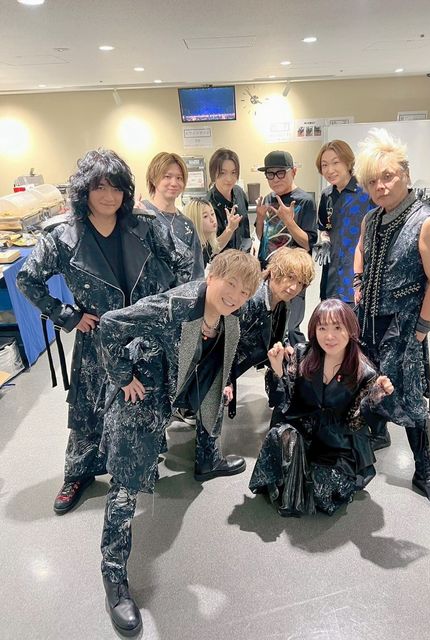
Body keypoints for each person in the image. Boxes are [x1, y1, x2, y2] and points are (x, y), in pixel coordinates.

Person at [16, 148, 194, 515]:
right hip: (97, 337)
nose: (109, 196)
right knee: (89, 409)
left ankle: (137, 465)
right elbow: (28, 280)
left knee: (142, 401)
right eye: (100, 187)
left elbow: (182, 261)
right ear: (84, 190)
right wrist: (68, 315)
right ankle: (78, 473)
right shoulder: (62, 236)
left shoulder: (143, 225)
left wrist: (161, 307)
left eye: (116, 187)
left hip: (143, 337)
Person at [98, 250, 261, 636]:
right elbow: (110, 323)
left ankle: (208, 461)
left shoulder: (229, 315)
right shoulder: (173, 306)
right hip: (140, 401)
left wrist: (224, 381)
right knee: (126, 489)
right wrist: (122, 376)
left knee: (213, 408)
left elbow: (216, 353)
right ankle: (114, 576)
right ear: (212, 275)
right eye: (231, 284)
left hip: (175, 391)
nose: (236, 296)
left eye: (244, 291)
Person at [353, 128, 430, 516]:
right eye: (372, 181)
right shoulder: (371, 218)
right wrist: (358, 282)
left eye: (388, 176)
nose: (380, 186)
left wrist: (422, 330)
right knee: (367, 382)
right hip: (368, 322)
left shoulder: (428, 223)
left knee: (412, 397)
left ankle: (424, 472)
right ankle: (375, 438)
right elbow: (360, 250)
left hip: (406, 326)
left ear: (406, 175)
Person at [249, 299, 393, 517]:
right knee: (282, 436)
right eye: (322, 328)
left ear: (350, 330)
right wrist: (278, 369)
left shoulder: (364, 373)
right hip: (303, 430)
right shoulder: (302, 354)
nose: (329, 336)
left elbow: (354, 424)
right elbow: (286, 402)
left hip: (337, 443)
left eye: (337, 327)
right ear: (314, 330)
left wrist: (375, 398)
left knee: (321, 489)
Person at [227, 247, 316, 418]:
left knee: (296, 361)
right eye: (290, 278)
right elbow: (226, 343)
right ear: (274, 272)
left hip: (257, 353)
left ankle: (283, 406)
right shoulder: (251, 299)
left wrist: (285, 346)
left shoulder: (283, 300)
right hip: (225, 363)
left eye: (300, 283)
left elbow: (278, 332)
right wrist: (226, 381)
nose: (294, 287)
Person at [255, 150, 317, 344]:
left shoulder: (305, 201)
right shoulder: (268, 199)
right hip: (270, 272)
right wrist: (260, 218)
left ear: (294, 171)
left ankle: (295, 359)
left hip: (293, 275)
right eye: (270, 174)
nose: (275, 179)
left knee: (290, 327)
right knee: (268, 323)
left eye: (280, 172)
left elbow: (308, 242)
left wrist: (289, 221)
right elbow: (262, 237)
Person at [315, 140, 371, 303]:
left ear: (348, 162)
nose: (330, 170)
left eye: (335, 162)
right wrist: (325, 241)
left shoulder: (366, 192)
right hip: (331, 276)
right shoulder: (326, 195)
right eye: (324, 165)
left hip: (357, 276)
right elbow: (325, 228)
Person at [141, 151, 204, 278]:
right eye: (167, 176)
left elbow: (197, 271)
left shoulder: (187, 225)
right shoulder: (142, 213)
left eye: (179, 178)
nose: (174, 183)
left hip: (182, 290)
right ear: (153, 179)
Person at [206, 147, 252, 253]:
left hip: (243, 257)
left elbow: (245, 230)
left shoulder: (239, 193)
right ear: (213, 173)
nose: (229, 179)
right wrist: (229, 230)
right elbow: (209, 250)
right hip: (221, 261)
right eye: (223, 173)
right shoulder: (207, 205)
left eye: (233, 172)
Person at [183, 197, 244, 269]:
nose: (212, 219)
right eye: (205, 216)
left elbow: (216, 247)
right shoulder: (190, 252)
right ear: (194, 220)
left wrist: (230, 228)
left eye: (212, 214)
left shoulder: (204, 244)